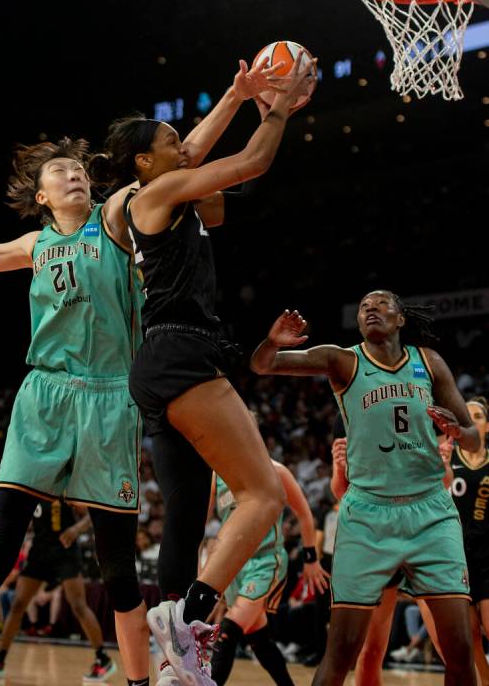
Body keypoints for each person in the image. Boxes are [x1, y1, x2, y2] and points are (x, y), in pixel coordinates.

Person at [97, 52, 315, 686]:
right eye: (169, 141)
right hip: (181, 354)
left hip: (159, 367)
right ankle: (189, 617)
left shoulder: (158, 197)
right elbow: (248, 163)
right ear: (145, 161)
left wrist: (236, 93)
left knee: (187, 523)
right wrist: (275, 108)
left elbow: (194, 152)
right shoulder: (157, 192)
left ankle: (176, 667)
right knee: (262, 494)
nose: (183, 146)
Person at [0, 138, 149, 686]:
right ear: (41, 195)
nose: (75, 176)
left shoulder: (114, 220)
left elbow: (172, 165)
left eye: (80, 170)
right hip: (44, 395)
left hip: (111, 396)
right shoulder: (34, 242)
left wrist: (236, 97)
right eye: (61, 171)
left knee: (120, 572)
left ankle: (136, 682)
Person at [250, 291, 480, 686]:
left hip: (431, 513)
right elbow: (263, 365)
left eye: (381, 303)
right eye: (363, 306)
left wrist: (459, 431)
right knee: (340, 654)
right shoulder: (343, 360)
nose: (371, 308)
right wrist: (272, 343)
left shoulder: (429, 362)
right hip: (368, 516)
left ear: (401, 318)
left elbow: (475, 440)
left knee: (459, 651)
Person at [330, 436, 447, 684]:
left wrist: (442, 463)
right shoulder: (353, 422)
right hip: (376, 539)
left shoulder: (418, 415)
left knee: (448, 645)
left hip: (423, 534)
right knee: (370, 650)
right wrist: (340, 467)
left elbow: (445, 483)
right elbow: (341, 492)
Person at [209, 460, 329, 686]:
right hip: (233, 565)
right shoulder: (218, 476)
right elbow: (201, 523)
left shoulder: (275, 469)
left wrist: (311, 558)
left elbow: (304, 513)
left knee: (227, 631)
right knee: (258, 638)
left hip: (265, 561)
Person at [0, 499, 116, 682]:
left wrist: (75, 529)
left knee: (79, 606)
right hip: (40, 550)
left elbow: (91, 515)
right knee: (18, 604)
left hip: (64, 551)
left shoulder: (65, 484)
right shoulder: (33, 485)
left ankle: (103, 659)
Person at [449, 396, 489, 686]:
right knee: (471, 634)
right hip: (455, 554)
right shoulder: (447, 456)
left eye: (476, 416)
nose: (471, 419)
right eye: (467, 415)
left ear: (487, 426)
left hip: (487, 553)